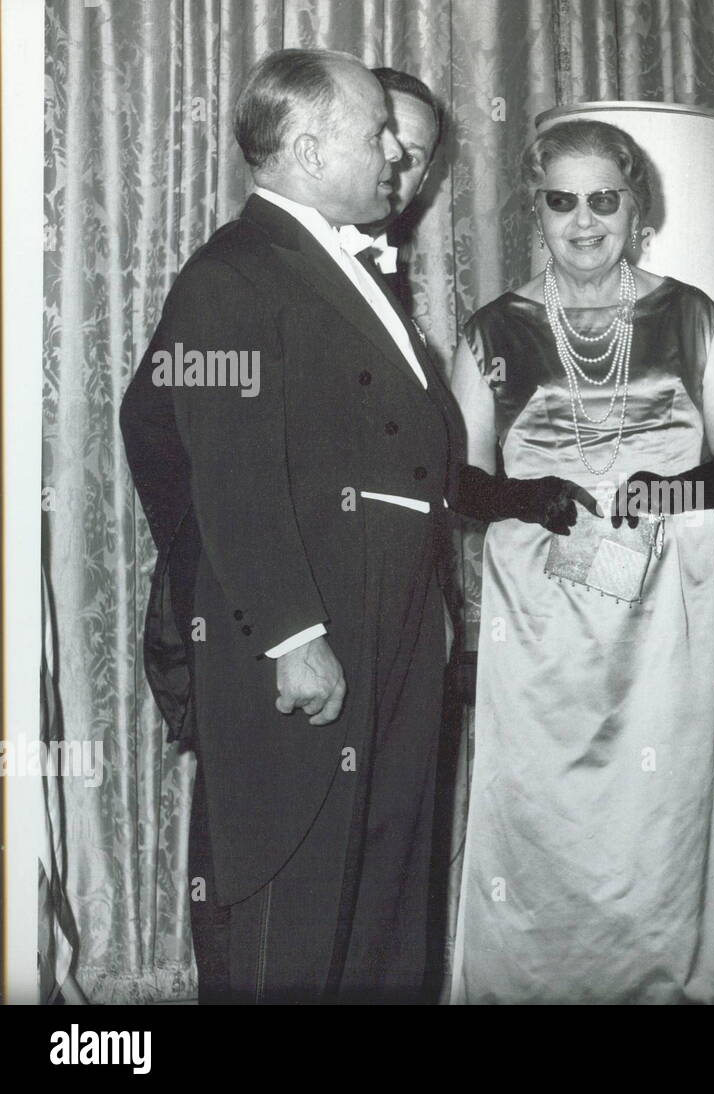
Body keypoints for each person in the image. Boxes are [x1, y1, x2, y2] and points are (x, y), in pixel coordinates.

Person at [119, 48, 465, 1002]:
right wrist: (285, 630)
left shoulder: (340, 266)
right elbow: (227, 472)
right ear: (309, 150)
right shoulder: (234, 273)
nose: (398, 151)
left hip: (390, 608)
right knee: (296, 889)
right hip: (315, 614)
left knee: (388, 882)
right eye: (377, 134)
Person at [446, 118, 714, 1003]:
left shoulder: (690, 314)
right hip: (547, 613)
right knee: (550, 816)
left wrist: (673, 493)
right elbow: (457, 484)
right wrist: (528, 496)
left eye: (604, 200)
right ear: (536, 211)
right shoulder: (491, 329)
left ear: (637, 208)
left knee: (665, 815)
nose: (583, 222)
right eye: (562, 202)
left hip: (671, 602)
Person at [356, 67, 443, 311]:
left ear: (424, 178)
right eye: (377, 143)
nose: (390, 164)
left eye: (410, 157)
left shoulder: (388, 270)